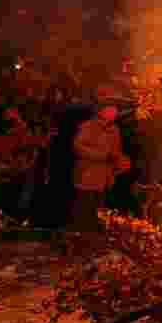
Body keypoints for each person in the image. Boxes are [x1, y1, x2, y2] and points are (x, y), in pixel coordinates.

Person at [70, 102, 131, 250]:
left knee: (99, 212)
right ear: (101, 111)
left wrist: (121, 162)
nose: (114, 113)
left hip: (104, 177)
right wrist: (102, 155)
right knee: (84, 209)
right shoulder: (88, 126)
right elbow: (78, 147)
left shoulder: (115, 130)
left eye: (115, 111)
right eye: (111, 110)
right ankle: (77, 242)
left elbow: (115, 151)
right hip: (88, 175)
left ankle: (94, 244)